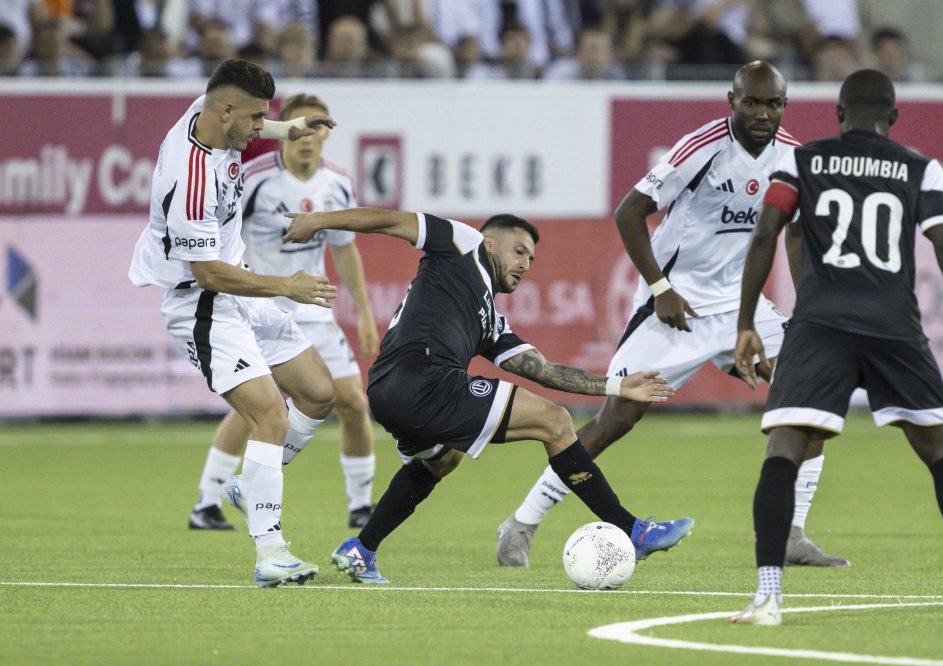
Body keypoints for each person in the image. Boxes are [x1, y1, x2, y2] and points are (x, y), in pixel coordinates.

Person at [497, 60, 848, 570]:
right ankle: (521, 523)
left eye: (773, 104)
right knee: (617, 418)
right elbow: (629, 211)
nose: (762, 113)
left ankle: (791, 533)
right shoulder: (702, 147)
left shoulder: (793, 157)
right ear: (732, 100)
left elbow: (793, 231)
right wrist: (660, 287)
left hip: (736, 305)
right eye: (752, 102)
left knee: (812, 390)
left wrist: (809, 302)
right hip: (675, 304)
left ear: (784, 107)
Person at [730, 69, 943, 626]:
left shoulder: (801, 160)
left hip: (820, 324)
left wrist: (746, 324)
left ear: (838, 113)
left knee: (784, 450)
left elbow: (767, 234)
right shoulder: (918, 166)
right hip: (893, 327)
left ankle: (767, 599)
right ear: (894, 117)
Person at [282, 208, 694, 584]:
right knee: (556, 422)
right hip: (422, 378)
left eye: (531, 259)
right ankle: (632, 530)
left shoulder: (489, 319)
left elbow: (544, 371)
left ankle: (362, 548)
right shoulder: (463, 243)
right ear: (491, 242)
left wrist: (618, 386)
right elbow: (392, 222)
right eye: (518, 251)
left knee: (443, 459)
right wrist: (319, 221)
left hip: (389, 390)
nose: (524, 264)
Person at [128, 59, 340, 588]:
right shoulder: (190, 178)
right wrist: (285, 286)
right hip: (201, 300)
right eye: (253, 119)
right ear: (225, 111)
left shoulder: (207, 115)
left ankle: (253, 482)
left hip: (237, 281)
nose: (256, 130)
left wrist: (288, 128)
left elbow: (240, 115)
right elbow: (206, 272)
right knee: (268, 414)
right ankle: (271, 552)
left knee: (318, 392)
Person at [187, 93, 380, 534]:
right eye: (300, 130)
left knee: (352, 402)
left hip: (311, 305)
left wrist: (365, 312)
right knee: (256, 407)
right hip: (260, 305)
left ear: (328, 136)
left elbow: (345, 249)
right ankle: (207, 501)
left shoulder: (338, 183)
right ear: (283, 133)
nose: (308, 139)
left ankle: (360, 506)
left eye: (318, 131)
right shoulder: (254, 178)